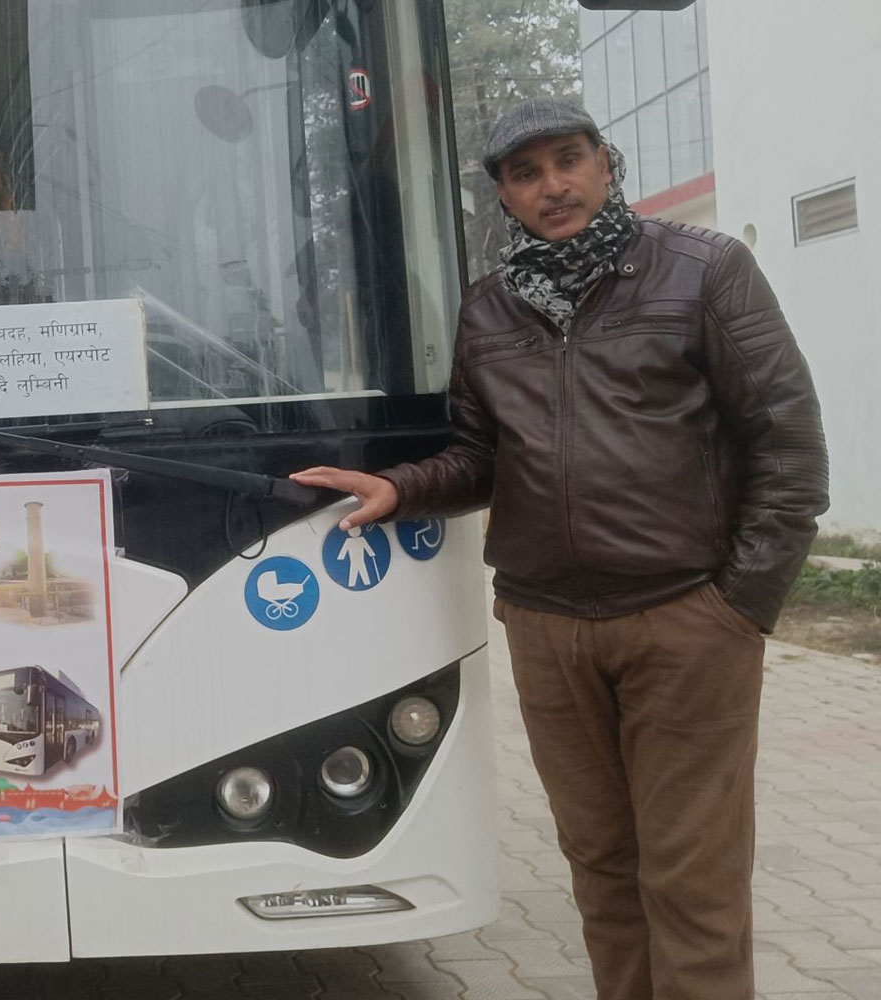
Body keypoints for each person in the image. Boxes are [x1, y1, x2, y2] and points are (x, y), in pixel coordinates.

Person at [293, 98, 829, 1000]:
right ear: (504, 195)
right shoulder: (490, 308)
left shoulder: (705, 271)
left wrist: (739, 607)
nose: (553, 185)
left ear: (605, 165)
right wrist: (403, 489)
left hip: (685, 622)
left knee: (691, 878)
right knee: (602, 869)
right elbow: (481, 457)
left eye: (568, 160)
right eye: (526, 173)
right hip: (548, 629)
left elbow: (789, 447)